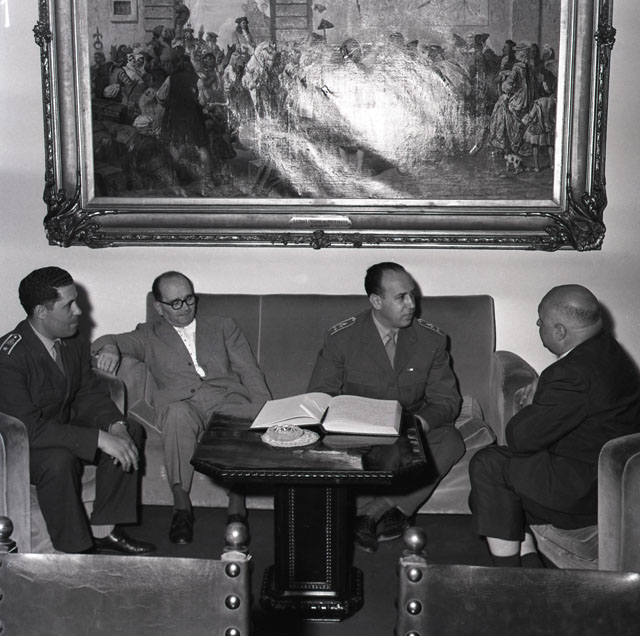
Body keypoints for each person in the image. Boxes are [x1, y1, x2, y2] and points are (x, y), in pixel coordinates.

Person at [93, 271, 271, 544]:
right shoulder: (148, 335)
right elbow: (106, 339)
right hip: (181, 403)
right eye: (175, 303)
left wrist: (266, 409)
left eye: (189, 299)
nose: (185, 307)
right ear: (159, 307)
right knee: (177, 415)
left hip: (226, 397)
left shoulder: (223, 326)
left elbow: (249, 371)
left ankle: (237, 505)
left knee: (235, 416)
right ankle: (181, 507)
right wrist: (109, 348)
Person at [469, 285, 640, 567]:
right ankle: (531, 567)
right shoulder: (609, 350)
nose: (538, 325)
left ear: (560, 331)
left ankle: (507, 577)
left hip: (586, 494)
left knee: (488, 465)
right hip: (612, 478)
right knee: (489, 497)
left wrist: (532, 401)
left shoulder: (570, 374)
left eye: (541, 321)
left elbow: (520, 439)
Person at [307, 262, 465, 552]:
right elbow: (319, 396)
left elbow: (447, 400)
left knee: (452, 440)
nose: (411, 304)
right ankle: (388, 512)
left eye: (412, 295)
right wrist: (348, 425)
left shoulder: (431, 340)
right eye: (401, 297)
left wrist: (418, 424)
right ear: (376, 301)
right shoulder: (342, 338)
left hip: (410, 429)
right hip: (358, 434)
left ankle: (375, 512)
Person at [0, 267, 155, 555]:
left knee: (130, 430)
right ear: (41, 312)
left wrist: (115, 426)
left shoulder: (70, 339)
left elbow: (87, 393)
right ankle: (75, 550)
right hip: (20, 446)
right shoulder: (10, 357)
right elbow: (28, 429)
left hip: (60, 428)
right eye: (69, 305)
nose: (79, 311)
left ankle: (105, 529)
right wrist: (97, 439)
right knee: (60, 460)